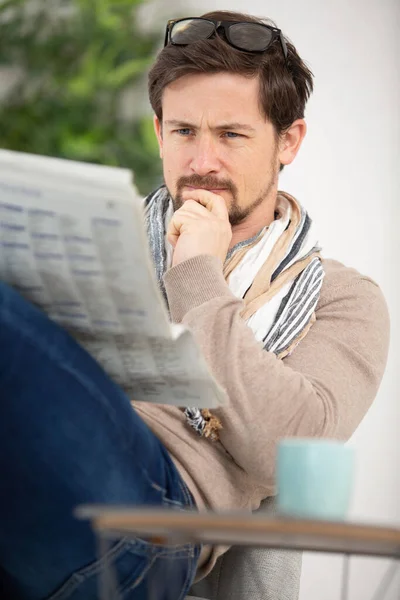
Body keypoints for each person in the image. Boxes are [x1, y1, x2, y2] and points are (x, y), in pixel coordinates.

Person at [0, 9, 390, 600]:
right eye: (184, 132)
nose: (202, 162)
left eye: (231, 135)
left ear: (289, 141)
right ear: (159, 133)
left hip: (155, 525)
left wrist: (199, 276)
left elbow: (290, 455)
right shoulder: (94, 235)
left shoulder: (343, 298)